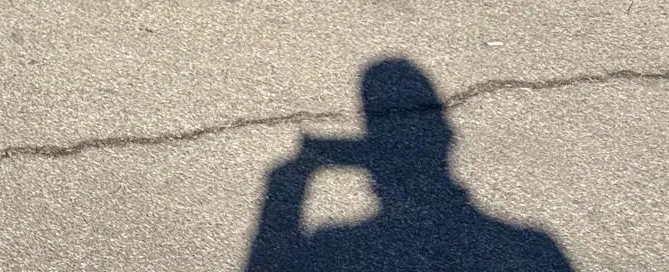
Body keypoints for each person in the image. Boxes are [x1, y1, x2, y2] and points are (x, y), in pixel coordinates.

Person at [245, 57, 574, 271]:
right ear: (448, 139)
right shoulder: (533, 247)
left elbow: (265, 260)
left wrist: (291, 175)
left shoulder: (333, 245)